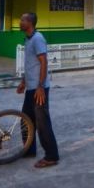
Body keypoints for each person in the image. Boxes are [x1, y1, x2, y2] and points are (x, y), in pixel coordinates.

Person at [16, 12, 60, 168]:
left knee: (42, 123)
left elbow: (43, 62)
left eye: (22, 20)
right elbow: (31, 65)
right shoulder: (28, 39)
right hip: (31, 88)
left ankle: (51, 156)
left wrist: (40, 86)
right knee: (26, 120)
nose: (20, 22)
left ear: (30, 23)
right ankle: (29, 150)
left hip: (39, 89)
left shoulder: (37, 39)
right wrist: (23, 82)